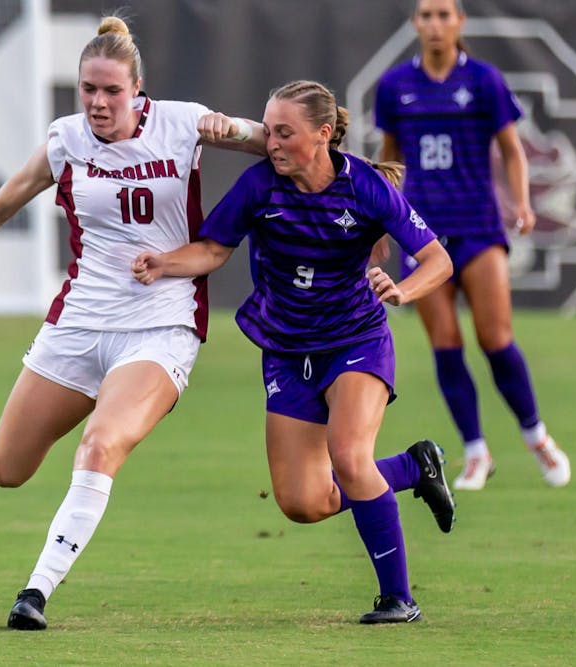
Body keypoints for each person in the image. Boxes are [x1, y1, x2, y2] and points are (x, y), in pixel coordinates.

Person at [0, 16, 272, 631]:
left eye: (111, 91)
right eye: (87, 89)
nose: (98, 103)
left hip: (160, 324)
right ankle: (101, 410)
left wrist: (238, 128)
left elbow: (280, 142)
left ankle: (35, 593)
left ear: (138, 89)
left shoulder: (182, 123)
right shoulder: (67, 138)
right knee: (6, 469)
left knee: (99, 446)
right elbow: (3, 201)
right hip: (78, 325)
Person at [132, 80, 455, 624]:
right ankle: (412, 467)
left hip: (357, 340)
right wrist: (163, 263)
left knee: (349, 459)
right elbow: (212, 249)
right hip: (286, 349)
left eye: (284, 132)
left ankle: (398, 598)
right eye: (268, 129)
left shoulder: (366, 188)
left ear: (323, 135)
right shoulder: (260, 186)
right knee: (303, 503)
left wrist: (403, 291)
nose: (271, 142)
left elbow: (438, 261)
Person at [373, 0, 570, 490]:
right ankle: (476, 452)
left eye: (444, 14)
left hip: (479, 229)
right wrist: (379, 219)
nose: (435, 23)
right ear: (415, 24)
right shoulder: (396, 87)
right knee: (446, 345)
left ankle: (536, 436)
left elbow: (511, 149)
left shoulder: (483, 80)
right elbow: (390, 162)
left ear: (460, 21)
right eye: (426, 15)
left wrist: (522, 204)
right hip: (422, 234)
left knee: (495, 338)